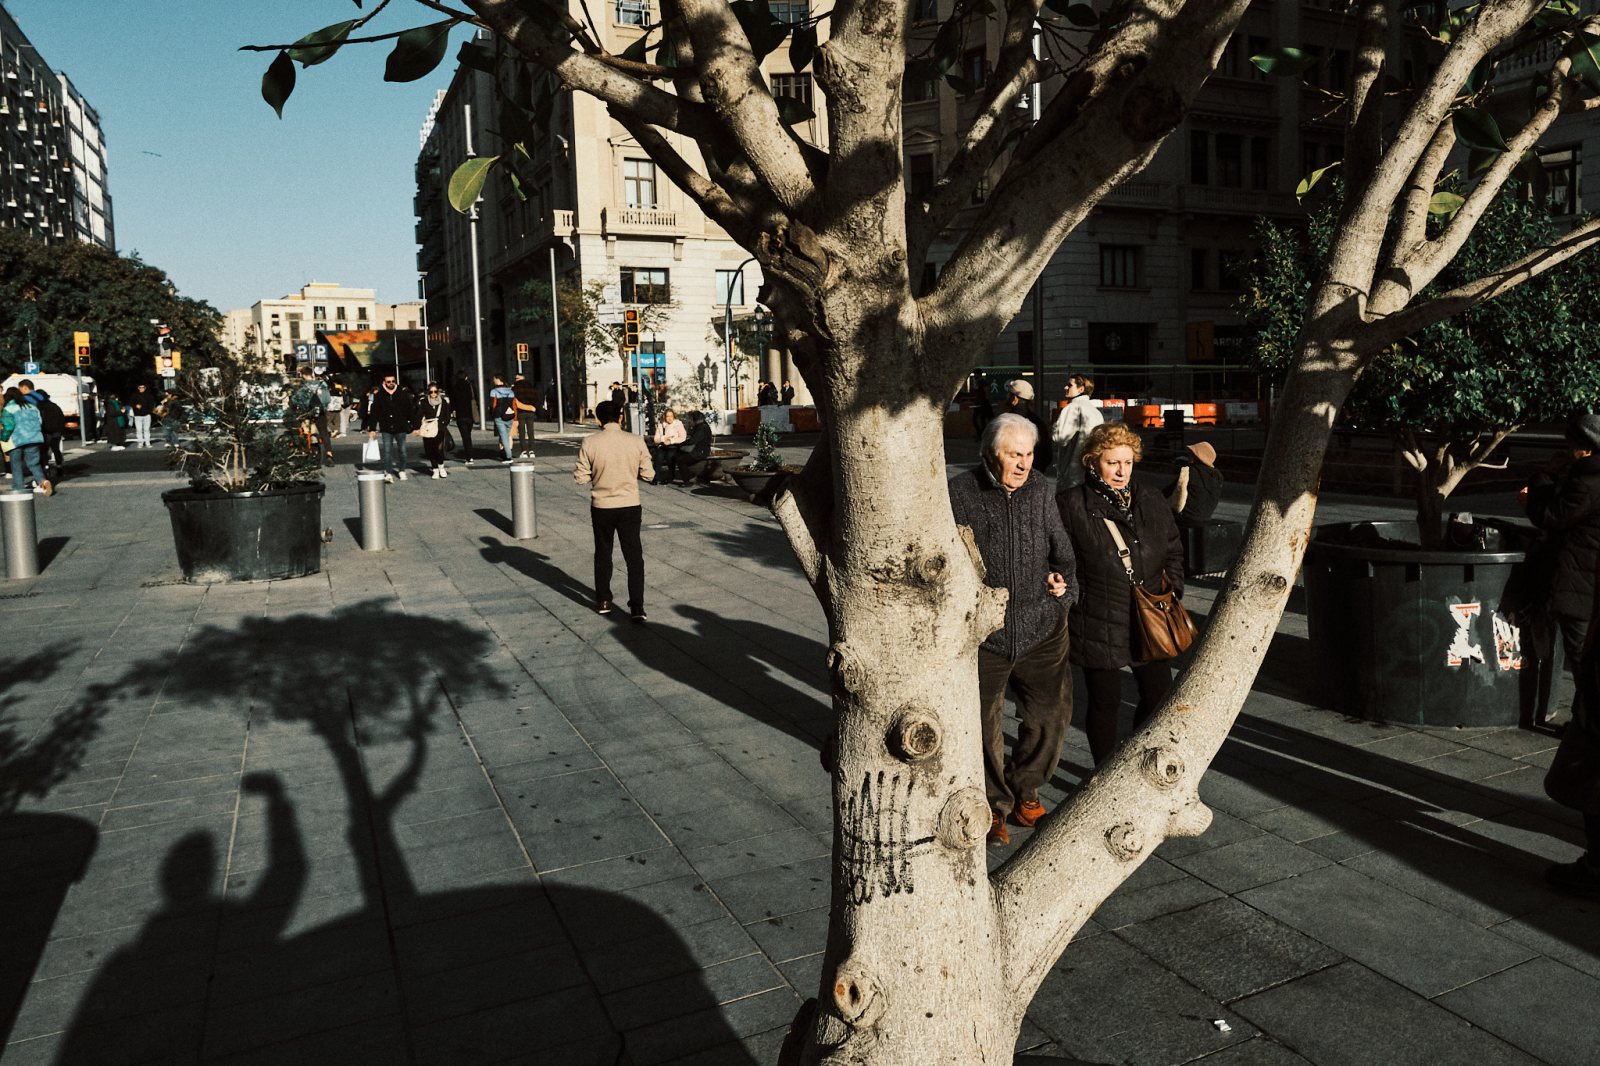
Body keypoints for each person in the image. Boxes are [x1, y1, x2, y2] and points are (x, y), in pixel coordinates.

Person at [950, 413, 1076, 845]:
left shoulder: (1041, 490)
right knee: (982, 723)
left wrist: (1063, 588)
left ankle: (1028, 790)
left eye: (1029, 454)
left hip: (1042, 625)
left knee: (1049, 716)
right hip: (986, 632)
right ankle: (993, 805)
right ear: (990, 453)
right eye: (1014, 455)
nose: (1024, 464)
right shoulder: (960, 492)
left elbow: (1064, 555)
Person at [1058, 422, 1186, 767]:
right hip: (1098, 617)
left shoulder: (1150, 499)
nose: (1121, 471)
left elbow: (1172, 547)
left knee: (1158, 695)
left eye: (1127, 463)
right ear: (1093, 461)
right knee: (1105, 702)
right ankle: (1103, 769)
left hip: (1150, 612)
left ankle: (1136, 761)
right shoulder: (1072, 504)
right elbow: (1059, 558)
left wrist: (1172, 588)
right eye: (1112, 462)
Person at [1526, 412, 1600, 702]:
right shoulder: (1588, 478)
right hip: (1593, 577)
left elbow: (1549, 516)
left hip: (1581, 580)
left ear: (1586, 447)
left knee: (1580, 653)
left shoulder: (1587, 483)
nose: (1567, 451)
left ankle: (1589, 724)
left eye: (1572, 445)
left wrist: (1544, 478)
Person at [574, 400, 655, 621]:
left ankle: (603, 600)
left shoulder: (590, 442)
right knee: (634, 556)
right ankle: (637, 606)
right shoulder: (635, 441)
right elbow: (649, 474)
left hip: (602, 506)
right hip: (629, 504)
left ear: (598, 420)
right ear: (621, 417)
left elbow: (581, 478)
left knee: (603, 553)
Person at [364, 372, 419, 483]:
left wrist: (416, 426)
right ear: (384, 382)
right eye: (388, 381)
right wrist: (372, 429)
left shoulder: (402, 394)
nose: (391, 383)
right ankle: (388, 472)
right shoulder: (379, 395)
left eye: (393, 381)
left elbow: (410, 411)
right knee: (387, 451)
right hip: (386, 428)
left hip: (400, 426)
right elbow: (374, 413)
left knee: (402, 450)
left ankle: (402, 470)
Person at [1052, 375, 1103, 489]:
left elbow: (1059, 438)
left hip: (1071, 475)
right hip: (1091, 471)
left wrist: (1055, 425)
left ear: (1081, 389)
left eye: (1070, 385)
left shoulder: (1072, 408)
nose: (1065, 387)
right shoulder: (1096, 412)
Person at [2, 386, 50, 495]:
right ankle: (42, 482)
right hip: (34, 438)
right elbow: (40, 421)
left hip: (16, 440)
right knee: (34, 464)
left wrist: (3, 438)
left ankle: (19, 487)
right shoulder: (32, 407)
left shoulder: (9, 408)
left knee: (16, 464)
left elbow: (8, 426)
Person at [1166, 441, 1223, 528]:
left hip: (1187, 518)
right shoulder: (1217, 476)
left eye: (1192, 454)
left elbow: (1170, 490)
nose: (1189, 457)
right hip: (1206, 517)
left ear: (1198, 457)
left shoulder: (1191, 472)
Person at [1003, 379, 1053, 472]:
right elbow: (1047, 456)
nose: (1006, 396)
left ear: (1015, 398)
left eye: (1009, 394)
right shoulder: (1039, 423)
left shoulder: (1005, 422)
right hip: (1036, 474)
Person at [292, 367, 334, 466]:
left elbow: (296, 399)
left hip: (307, 412)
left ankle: (304, 450)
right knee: (323, 432)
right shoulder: (322, 384)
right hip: (320, 412)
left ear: (305, 375)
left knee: (303, 430)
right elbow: (327, 399)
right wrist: (323, 406)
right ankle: (329, 455)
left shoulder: (303, 386)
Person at [670, 410, 723, 485]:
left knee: (681, 460)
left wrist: (681, 444)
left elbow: (693, 440)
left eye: (690, 419)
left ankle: (687, 481)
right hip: (699, 451)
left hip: (699, 452)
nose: (689, 420)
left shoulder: (702, 428)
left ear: (695, 419)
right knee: (677, 455)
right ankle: (684, 476)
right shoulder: (701, 426)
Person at [417, 381, 453, 479]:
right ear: (428, 392)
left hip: (439, 428)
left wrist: (443, 423)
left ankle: (441, 466)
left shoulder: (443, 402)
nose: (433, 394)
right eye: (431, 392)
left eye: (435, 392)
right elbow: (419, 414)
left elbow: (447, 415)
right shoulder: (424, 402)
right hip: (428, 429)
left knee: (439, 448)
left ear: (438, 392)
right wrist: (417, 427)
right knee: (430, 449)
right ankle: (435, 469)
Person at [651, 408, 686, 483]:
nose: (670, 418)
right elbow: (656, 439)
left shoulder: (678, 424)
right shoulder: (661, 425)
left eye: (671, 416)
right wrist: (663, 439)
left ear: (674, 416)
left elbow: (683, 437)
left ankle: (670, 477)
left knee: (670, 456)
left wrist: (671, 440)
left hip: (674, 445)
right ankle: (655, 477)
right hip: (663, 445)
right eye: (667, 416)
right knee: (658, 457)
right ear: (664, 417)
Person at [449, 372, 477, 464]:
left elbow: (452, 402)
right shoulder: (471, 386)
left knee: (465, 437)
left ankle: (469, 457)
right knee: (468, 435)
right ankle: (470, 456)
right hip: (470, 415)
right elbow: (475, 398)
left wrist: (453, 411)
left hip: (460, 415)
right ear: (466, 377)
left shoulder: (455, 387)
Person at [489, 375, 517, 462]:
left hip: (499, 416)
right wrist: (516, 418)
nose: (493, 380)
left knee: (503, 436)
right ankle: (506, 453)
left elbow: (493, 405)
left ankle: (508, 456)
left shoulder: (493, 391)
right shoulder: (511, 391)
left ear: (498, 379)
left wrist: (492, 414)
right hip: (510, 415)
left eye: (494, 379)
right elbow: (514, 405)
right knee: (507, 435)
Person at [513, 374, 540, 458]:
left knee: (521, 432)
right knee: (530, 431)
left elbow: (514, 400)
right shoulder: (531, 387)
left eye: (517, 378)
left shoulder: (515, 387)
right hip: (531, 411)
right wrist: (534, 408)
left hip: (521, 411)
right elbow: (536, 398)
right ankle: (532, 451)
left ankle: (524, 451)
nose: (516, 379)